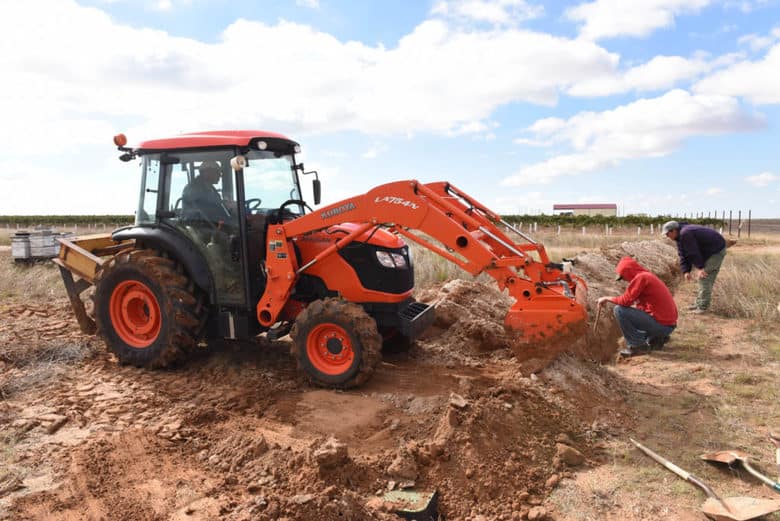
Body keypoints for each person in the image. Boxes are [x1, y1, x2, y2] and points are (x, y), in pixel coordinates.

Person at [597, 256, 678, 357]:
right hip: (668, 325)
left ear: (628, 272)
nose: (625, 280)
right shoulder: (647, 276)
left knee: (620, 310)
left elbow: (625, 301)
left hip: (662, 326)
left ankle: (637, 346)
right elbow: (640, 305)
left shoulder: (641, 278)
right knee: (634, 311)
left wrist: (607, 298)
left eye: (623, 277)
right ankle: (657, 339)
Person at [661, 220, 726, 314]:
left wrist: (700, 268)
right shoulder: (680, 236)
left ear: (674, 231)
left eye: (667, 234)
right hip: (709, 251)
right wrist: (686, 271)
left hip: (716, 251)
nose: (667, 236)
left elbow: (693, 252)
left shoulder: (685, 233)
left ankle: (702, 307)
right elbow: (683, 254)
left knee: (704, 277)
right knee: (702, 278)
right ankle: (699, 304)